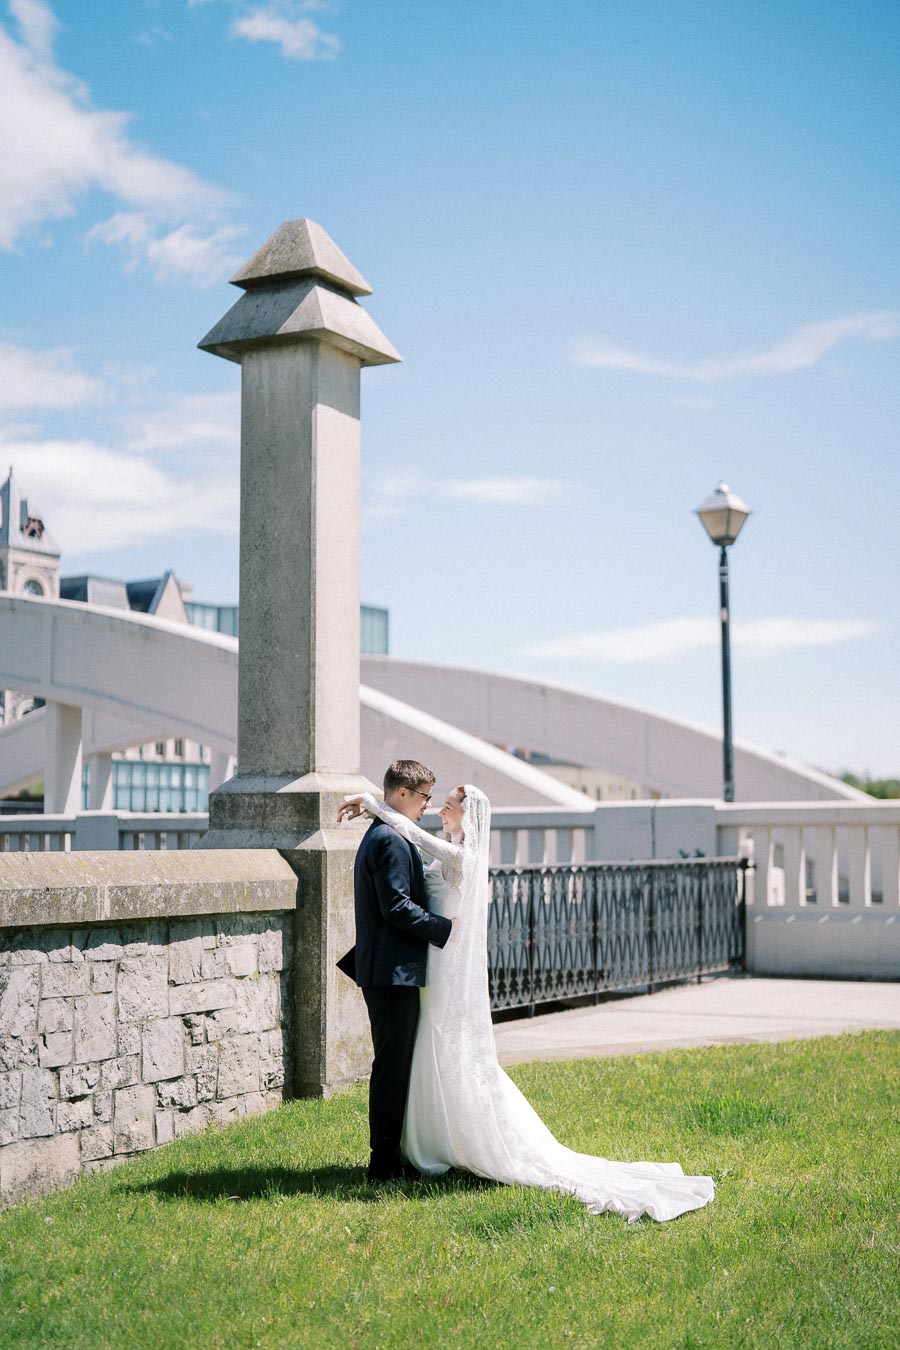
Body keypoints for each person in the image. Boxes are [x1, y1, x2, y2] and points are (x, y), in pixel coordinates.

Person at [338, 781, 715, 1223]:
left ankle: (445, 1141)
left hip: (442, 962)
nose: (438, 807)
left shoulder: (464, 855)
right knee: (425, 1050)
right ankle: (423, 1140)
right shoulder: (444, 846)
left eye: (448, 803)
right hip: (429, 965)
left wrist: (372, 804)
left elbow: (412, 834)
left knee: (440, 1046)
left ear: (469, 814)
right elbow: (409, 843)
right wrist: (376, 806)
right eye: (433, 800)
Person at [340, 760, 454, 1182]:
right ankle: (383, 1162)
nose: (427, 805)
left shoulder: (388, 830)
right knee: (391, 1066)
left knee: (395, 1063)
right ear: (403, 794)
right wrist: (445, 929)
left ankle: (393, 1154)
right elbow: (397, 907)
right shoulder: (388, 839)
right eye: (423, 796)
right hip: (391, 971)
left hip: (390, 969)